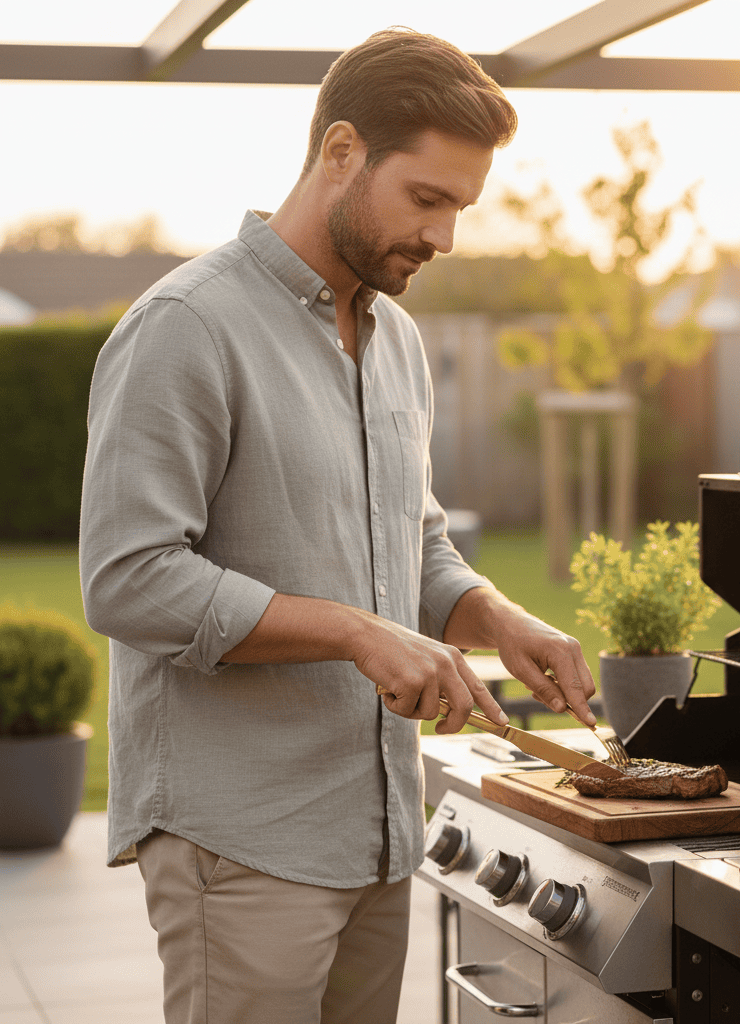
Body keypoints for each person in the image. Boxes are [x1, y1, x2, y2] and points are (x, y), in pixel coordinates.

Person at [79, 27, 598, 1024]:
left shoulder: (393, 336)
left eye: (461, 208)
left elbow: (414, 543)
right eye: (428, 199)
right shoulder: (186, 326)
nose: (445, 237)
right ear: (342, 153)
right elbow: (128, 578)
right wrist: (358, 631)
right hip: (241, 837)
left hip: (377, 828)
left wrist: (497, 619)